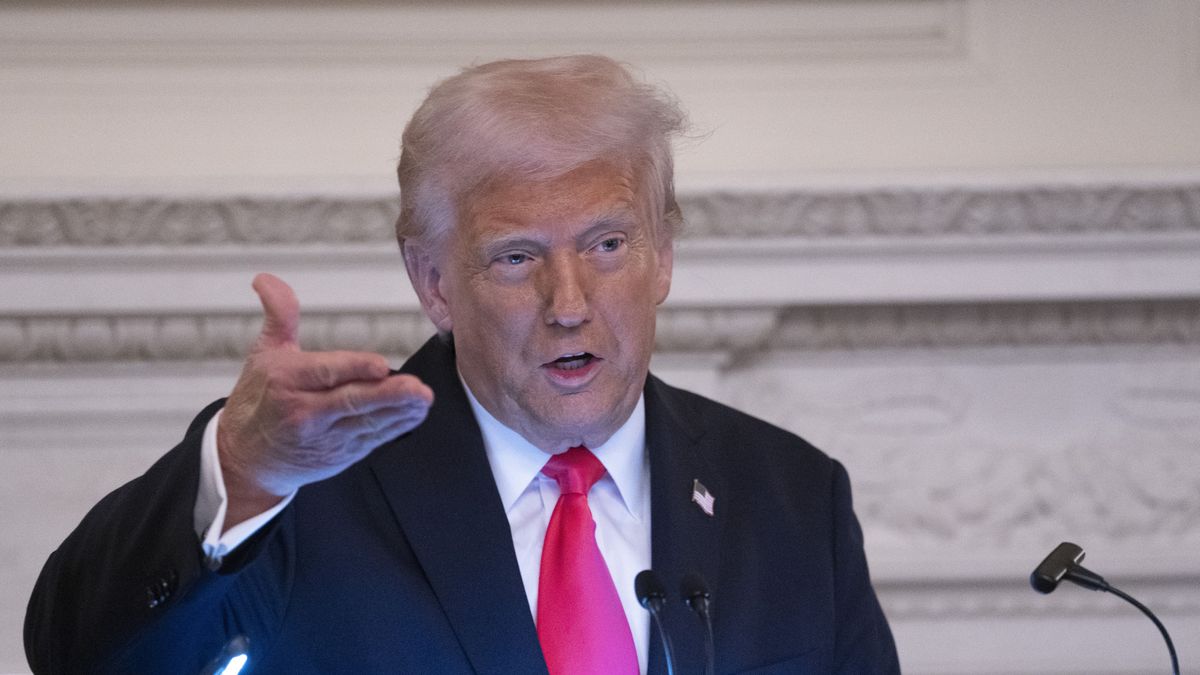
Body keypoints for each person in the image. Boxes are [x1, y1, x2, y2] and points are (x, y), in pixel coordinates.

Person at [25, 55, 899, 674]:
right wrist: (244, 470)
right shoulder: (307, 485)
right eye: (516, 256)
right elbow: (74, 653)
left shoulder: (791, 497)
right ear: (433, 281)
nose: (568, 301)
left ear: (663, 255)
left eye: (606, 243)